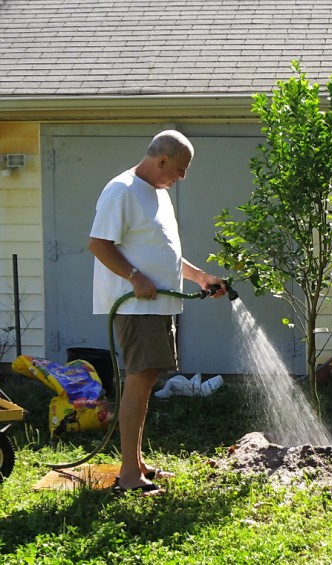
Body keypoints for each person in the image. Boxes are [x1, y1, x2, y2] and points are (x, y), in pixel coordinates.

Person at [88, 130, 226, 495]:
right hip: (135, 306)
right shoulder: (122, 189)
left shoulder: (158, 195)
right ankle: (130, 477)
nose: (182, 177)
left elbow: (163, 253)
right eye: (180, 169)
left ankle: (136, 464)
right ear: (162, 159)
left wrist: (200, 276)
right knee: (138, 380)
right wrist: (133, 277)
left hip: (157, 305)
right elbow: (98, 243)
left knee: (146, 381)